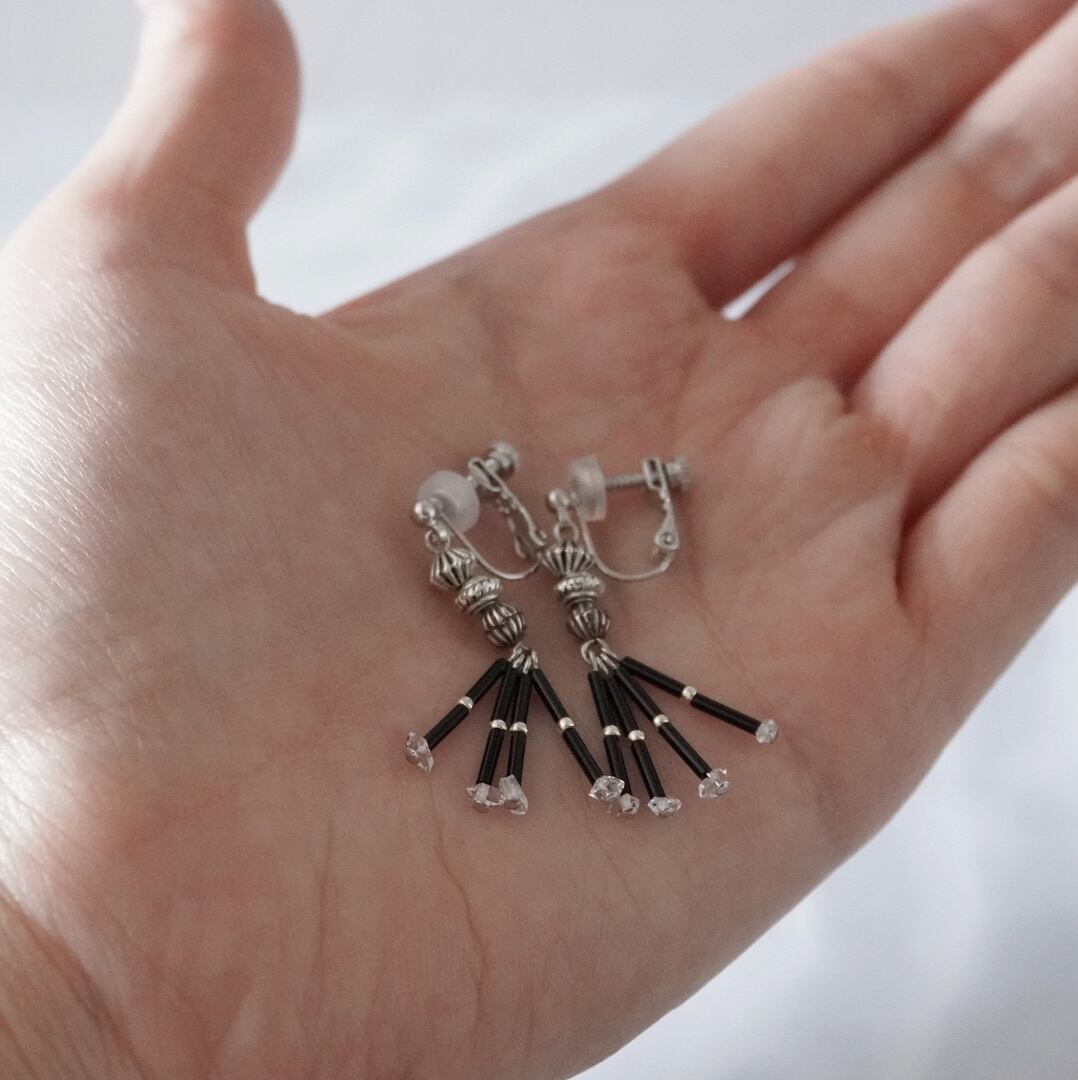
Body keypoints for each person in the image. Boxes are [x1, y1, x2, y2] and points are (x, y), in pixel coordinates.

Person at [1, 0, 1077, 1075]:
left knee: (567, 693)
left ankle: (591, 761)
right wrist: (60, 976)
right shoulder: (503, 550)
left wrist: (71, 994)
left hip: (557, 628)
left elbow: (555, 550)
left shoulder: (540, 543)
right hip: (543, 634)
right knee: (558, 694)